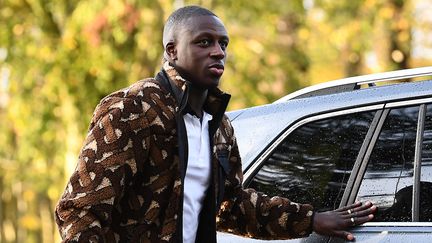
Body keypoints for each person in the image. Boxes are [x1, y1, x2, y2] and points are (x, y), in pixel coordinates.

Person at [55, 5, 376, 243]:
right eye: (204, 42)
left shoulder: (218, 126)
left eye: (223, 43)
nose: (218, 52)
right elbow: (81, 210)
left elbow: (231, 207)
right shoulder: (134, 109)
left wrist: (312, 219)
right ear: (172, 51)